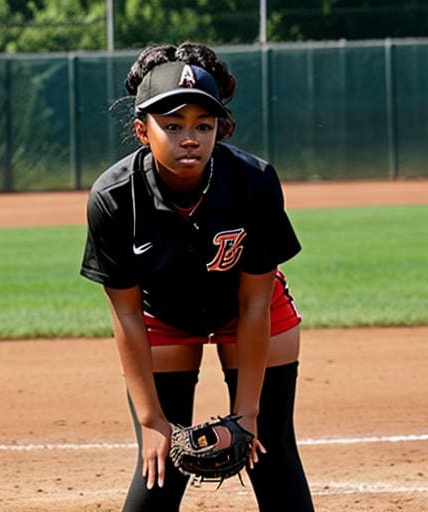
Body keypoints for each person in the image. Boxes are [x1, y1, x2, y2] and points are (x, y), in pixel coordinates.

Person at [80, 42, 315, 512]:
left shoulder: (254, 182)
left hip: (248, 308)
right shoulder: (113, 197)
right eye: (172, 125)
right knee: (161, 465)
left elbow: (254, 303)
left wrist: (248, 411)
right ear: (141, 131)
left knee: (268, 447)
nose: (190, 137)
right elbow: (126, 313)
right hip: (161, 313)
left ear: (218, 129)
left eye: (203, 125)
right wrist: (151, 421)